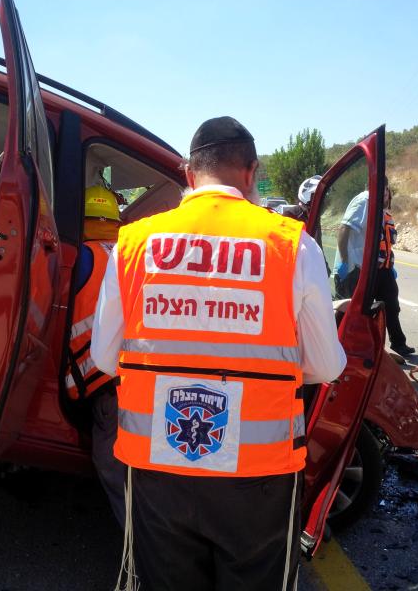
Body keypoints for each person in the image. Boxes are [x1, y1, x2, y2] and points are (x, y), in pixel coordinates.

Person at [91, 116, 346, 590]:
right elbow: (327, 365)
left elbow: (105, 360)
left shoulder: (133, 243)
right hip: (258, 475)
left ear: (189, 174)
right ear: (251, 173)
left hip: (157, 465)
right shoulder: (292, 244)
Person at [66, 184, 126, 528]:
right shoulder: (131, 255)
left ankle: (143, 548)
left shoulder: (80, 258)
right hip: (139, 374)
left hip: (103, 382)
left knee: (112, 465)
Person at [375, 179, 414, 355]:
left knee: (392, 306)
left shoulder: (387, 215)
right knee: (369, 309)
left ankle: (398, 343)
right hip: (372, 270)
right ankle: (370, 344)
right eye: (381, 189)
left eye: (386, 190)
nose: (384, 193)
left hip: (385, 270)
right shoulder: (372, 213)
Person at [333, 188, 368, 299]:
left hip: (360, 270)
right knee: (345, 307)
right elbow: (344, 228)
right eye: (386, 189)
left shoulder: (374, 203)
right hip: (350, 270)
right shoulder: (364, 201)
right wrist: (344, 262)